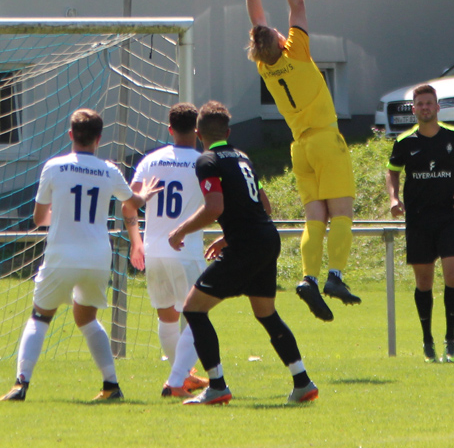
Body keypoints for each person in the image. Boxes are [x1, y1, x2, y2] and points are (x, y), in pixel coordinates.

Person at [236, 0, 358, 322]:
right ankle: (335, 276)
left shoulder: (265, 65)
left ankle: (308, 277)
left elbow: (257, 21)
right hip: (325, 139)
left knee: (314, 217)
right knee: (341, 213)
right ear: (280, 40)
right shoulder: (298, 52)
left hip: (299, 148)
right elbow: (298, 6)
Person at [1, 109, 161, 402]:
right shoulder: (109, 170)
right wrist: (145, 195)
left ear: (71, 134)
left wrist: (61, 217)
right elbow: (133, 202)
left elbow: (38, 218)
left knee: (40, 316)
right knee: (87, 318)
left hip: (62, 254)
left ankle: (21, 384)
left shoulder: (54, 166)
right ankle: (111, 385)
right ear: (99, 138)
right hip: (98, 257)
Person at [168, 101, 317, 405]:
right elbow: (264, 205)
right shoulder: (242, 156)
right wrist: (228, 237)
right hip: (265, 238)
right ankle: (302, 382)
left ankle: (218, 386)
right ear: (228, 131)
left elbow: (214, 207)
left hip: (248, 243)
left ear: (198, 133)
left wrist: (181, 230)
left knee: (194, 309)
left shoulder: (207, 160)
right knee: (266, 313)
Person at [122, 102, 210, 397]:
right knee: (199, 315)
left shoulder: (151, 160)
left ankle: (182, 377)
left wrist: (136, 241)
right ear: (197, 131)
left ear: (170, 129)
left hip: (154, 249)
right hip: (186, 249)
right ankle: (178, 378)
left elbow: (129, 202)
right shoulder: (203, 161)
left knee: (166, 316)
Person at [386, 84, 454, 363]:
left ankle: (450, 341)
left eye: (429, 103)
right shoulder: (404, 142)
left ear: (437, 107)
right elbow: (393, 173)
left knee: (452, 276)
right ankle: (427, 340)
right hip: (419, 219)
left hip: (449, 216)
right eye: (419, 104)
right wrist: (393, 198)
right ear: (414, 109)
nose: (425, 107)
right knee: (424, 282)